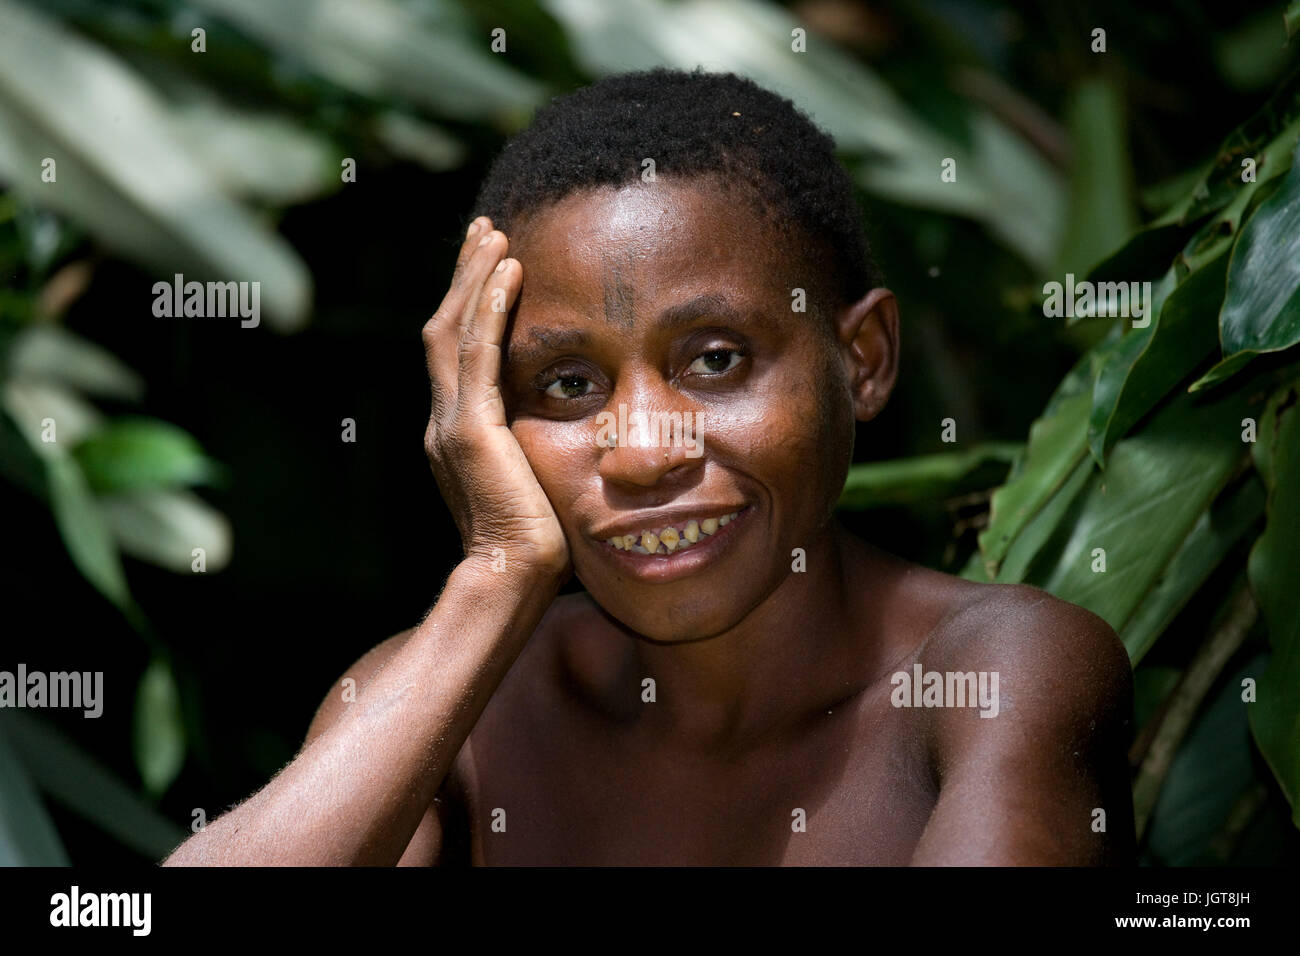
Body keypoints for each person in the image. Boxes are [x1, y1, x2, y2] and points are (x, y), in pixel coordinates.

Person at [163, 67, 1134, 866]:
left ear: (863, 359)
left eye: (714, 360)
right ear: (484, 417)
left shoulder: (988, 669)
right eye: (567, 383)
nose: (638, 452)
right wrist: (496, 577)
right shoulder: (458, 715)